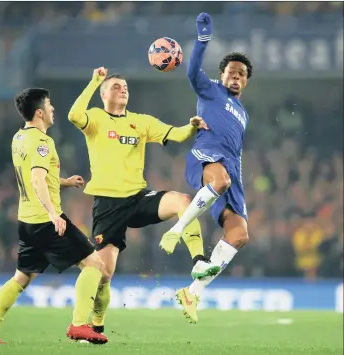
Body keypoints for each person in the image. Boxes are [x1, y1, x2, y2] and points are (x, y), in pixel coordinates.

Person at [68, 68, 221, 338]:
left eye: (125, 86)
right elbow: (73, 115)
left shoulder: (141, 122)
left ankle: (198, 259)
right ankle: (96, 323)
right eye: (116, 87)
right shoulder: (95, 119)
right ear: (104, 93)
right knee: (104, 274)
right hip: (108, 205)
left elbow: (176, 134)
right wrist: (94, 80)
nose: (123, 89)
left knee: (183, 200)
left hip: (138, 198)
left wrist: (192, 126)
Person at [0, 88, 108, 344]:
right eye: (49, 105)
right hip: (46, 220)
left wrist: (64, 182)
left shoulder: (19, 138)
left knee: (21, 278)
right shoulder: (42, 142)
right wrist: (52, 214)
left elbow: (35, 175)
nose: (53, 109)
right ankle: (79, 324)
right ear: (39, 112)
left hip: (26, 221)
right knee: (95, 266)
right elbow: (36, 179)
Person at [160, 12, 254, 323]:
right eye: (232, 72)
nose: (236, 77)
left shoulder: (243, 113)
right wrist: (202, 40)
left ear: (246, 81)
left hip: (230, 171)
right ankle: (177, 229)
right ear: (222, 74)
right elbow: (190, 73)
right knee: (221, 180)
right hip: (205, 158)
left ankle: (192, 293)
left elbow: (234, 148)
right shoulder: (211, 89)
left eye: (241, 74)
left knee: (239, 234)